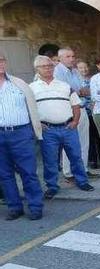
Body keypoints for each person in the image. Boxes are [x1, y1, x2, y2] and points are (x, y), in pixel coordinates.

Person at [30, 55, 94, 198]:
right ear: (37, 69)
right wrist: (38, 124)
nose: (48, 68)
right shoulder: (31, 88)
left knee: (76, 156)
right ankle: (52, 186)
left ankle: (82, 181)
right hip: (48, 130)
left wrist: (75, 122)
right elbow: (29, 109)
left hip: (67, 128)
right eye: (44, 66)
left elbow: (76, 104)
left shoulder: (64, 85)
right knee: (50, 160)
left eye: (50, 66)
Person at [0, 49, 44, 220]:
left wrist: (35, 130)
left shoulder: (19, 84)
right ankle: (14, 207)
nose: (1, 64)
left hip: (21, 133)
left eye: (2, 60)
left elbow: (32, 107)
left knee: (28, 172)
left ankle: (35, 207)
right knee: (4, 174)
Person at [55, 47, 91, 181]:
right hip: (68, 110)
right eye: (68, 57)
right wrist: (78, 91)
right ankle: (69, 172)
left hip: (81, 108)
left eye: (72, 56)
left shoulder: (75, 71)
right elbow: (66, 90)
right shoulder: (57, 71)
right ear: (60, 58)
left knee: (84, 141)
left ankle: (83, 169)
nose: (71, 59)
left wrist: (78, 90)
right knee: (69, 143)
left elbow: (83, 89)